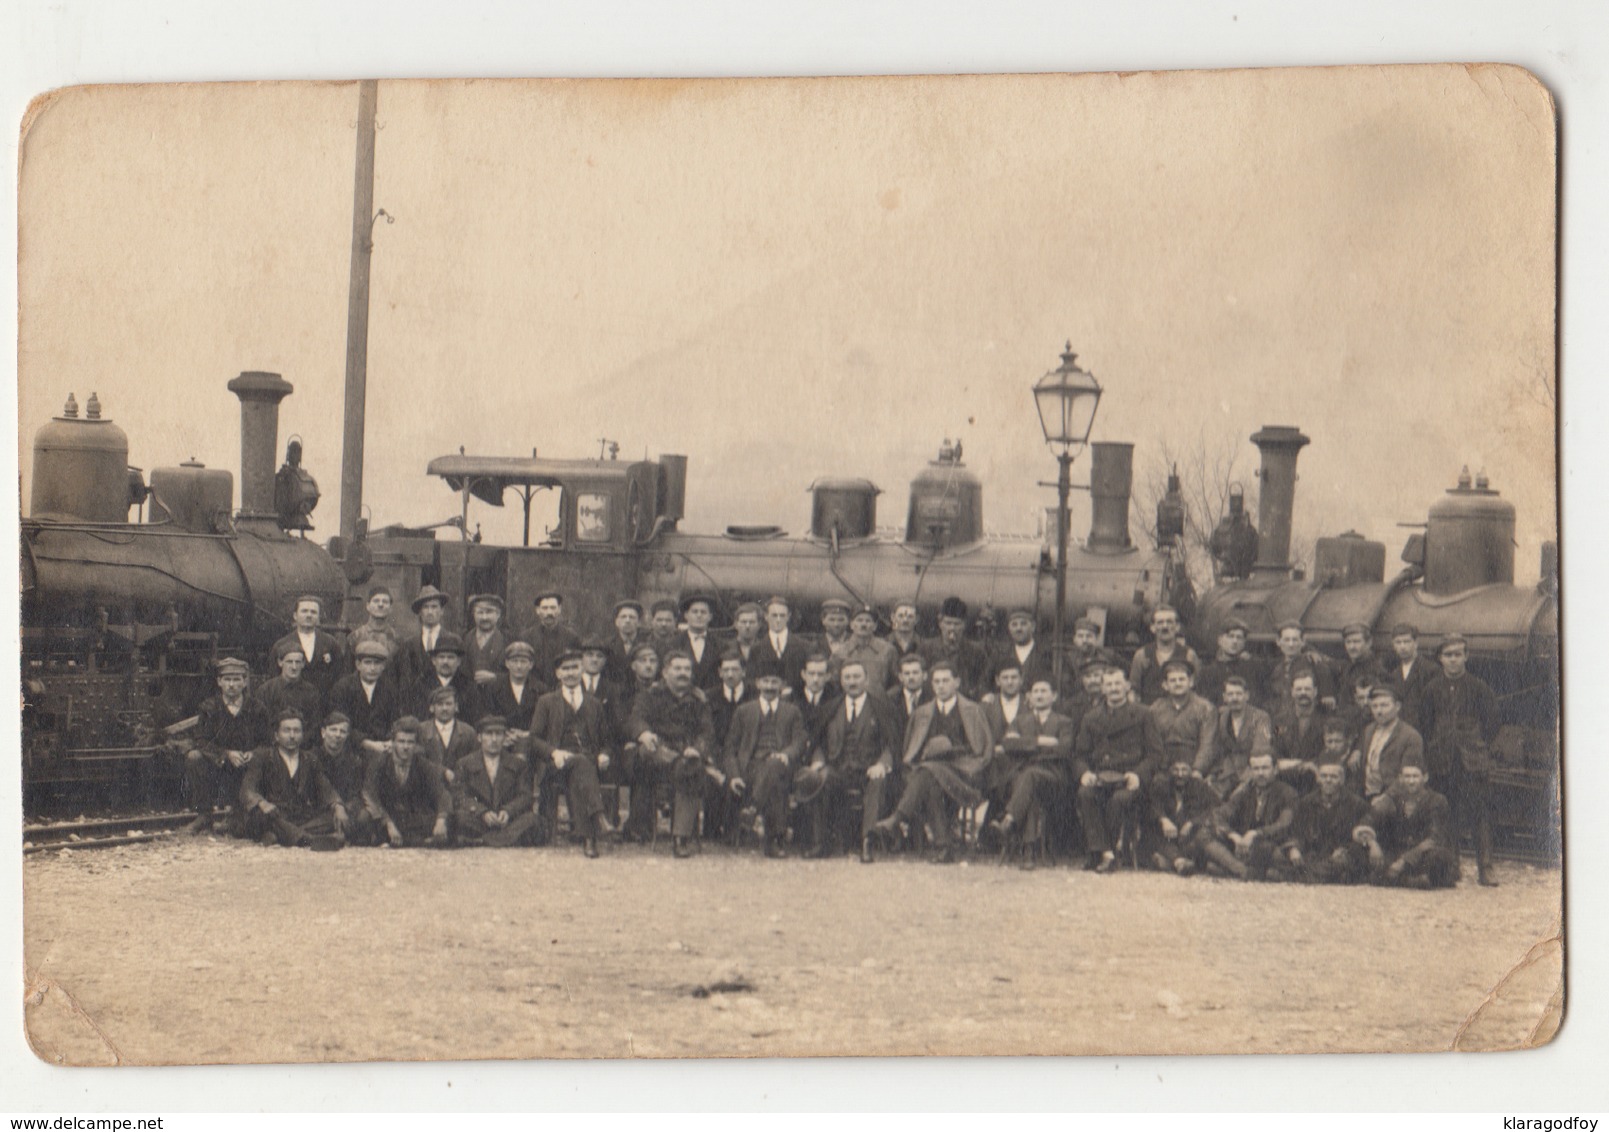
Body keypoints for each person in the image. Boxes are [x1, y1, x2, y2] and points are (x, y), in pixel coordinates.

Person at [870, 659, 993, 864]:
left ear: (957, 682)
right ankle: (944, 848)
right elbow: (911, 749)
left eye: (946, 680)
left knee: (928, 774)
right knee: (930, 780)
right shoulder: (922, 713)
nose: (941, 686)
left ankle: (898, 818)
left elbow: (983, 751)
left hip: (963, 773)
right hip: (931, 771)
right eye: (937, 682)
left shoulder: (973, 710)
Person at [797, 658, 904, 862]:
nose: (852, 682)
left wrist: (882, 764)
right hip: (838, 770)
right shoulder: (830, 708)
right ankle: (821, 843)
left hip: (868, 770)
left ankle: (867, 841)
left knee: (877, 782)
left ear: (866, 680)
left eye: (856, 677)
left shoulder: (881, 707)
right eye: (847, 677)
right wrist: (818, 761)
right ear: (840, 680)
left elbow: (892, 744)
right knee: (822, 778)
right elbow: (817, 742)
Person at [1419, 634, 1502, 886]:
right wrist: (1435, 747)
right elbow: (1425, 724)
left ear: (1466, 656)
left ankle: (1485, 868)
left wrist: (1475, 744)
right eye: (1448, 655)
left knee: (1480, 813)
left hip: (1472, 761)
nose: (1453, 660)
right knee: (1448, 813)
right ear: (1440, 658)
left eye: (1457, 654)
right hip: (1443, 761)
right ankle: (1452, 866)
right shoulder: (1431, 689)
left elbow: (1492, 723)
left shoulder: (1479, 687)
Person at [627, 650, 718, 858]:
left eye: (687, 669)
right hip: (656, 757)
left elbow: (707, 731)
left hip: (686, 754)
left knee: (689, 768)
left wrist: (697, 748)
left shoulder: (698, 699)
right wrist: (644, 733)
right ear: (665, 672)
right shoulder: (651, 694)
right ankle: (681, 838)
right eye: (677, 668)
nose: (682, 673)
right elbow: (636, 719)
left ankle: (680, 837)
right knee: (682, 764)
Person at [1072, 668, 1162, 872]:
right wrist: (1085, 773)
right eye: (1109, 685)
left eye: (1118, 684)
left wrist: (1138, 774)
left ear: (1127, 686)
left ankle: (1102, 852)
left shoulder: (1143, 714)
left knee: (1119, 800)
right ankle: (1105, 852)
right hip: (1102, 776)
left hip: (1130, 777)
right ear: (1102, 688)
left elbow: (1155, 754)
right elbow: (1079, 754)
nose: (1114, 689)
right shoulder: (1091, 717)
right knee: (1085, 794)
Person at [527, 649, 613, 856]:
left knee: (580, 772)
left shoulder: (594, 703)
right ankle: (598, 820)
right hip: (556, 765)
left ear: (582, 669)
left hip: (586, 765)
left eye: (575, 667)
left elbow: (606, 741)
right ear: (558, 674)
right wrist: (553, 752)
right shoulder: (547, 701)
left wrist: (604, 754)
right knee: (581, 765)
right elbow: (534, 739)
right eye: (565, 669)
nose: (570, 673)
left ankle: (588, 839)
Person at [988, 676, 1077, 868]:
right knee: (1030, 792)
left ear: (1054, 696)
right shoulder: (1020, 721)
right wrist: (1040, 742)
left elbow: (1064, 749)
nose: (1039, 695)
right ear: (1029, 696)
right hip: (1024, 779)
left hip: (1053, 778)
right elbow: (1008, 744)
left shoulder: (1064, 722)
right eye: (1035, 691)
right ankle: (1028, 852)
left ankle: (1009, 819)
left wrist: (1025, 745)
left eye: (1044, 691)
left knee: (1030, 775)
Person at [722, 657, 806, 858]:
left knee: (775, 766)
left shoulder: (792, 711)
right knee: (774, 782)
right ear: (757, 683)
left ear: (782, 685)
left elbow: (799, 741)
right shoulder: (744, 711)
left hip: (783, 765)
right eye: (765, 682)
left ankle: (753, 808)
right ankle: (773, 841)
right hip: (750, 768)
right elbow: (730, 748)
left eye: (774, 682)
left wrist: (786, 754)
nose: (769, 686)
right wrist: (734, 776)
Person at [183, 657, 272, 836]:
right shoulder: (209, 708)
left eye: (237, 679)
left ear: (245, 682)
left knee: (242, 827)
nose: (232, 685)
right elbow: (201, 740)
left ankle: (238, 814)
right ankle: (204, 815)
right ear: (219, 682)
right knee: (194, 757)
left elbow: (268, 741)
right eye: (227, 680)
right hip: (219, 766)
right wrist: (225, 754)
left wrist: (253, 754)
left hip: (246, 768)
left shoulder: (257, 708)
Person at [239, 710, 346, 849]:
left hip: (298, 816)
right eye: (286, 731)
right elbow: (247, 788)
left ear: (302, 735)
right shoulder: (263, 757)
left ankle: (279, 836)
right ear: (276, 735)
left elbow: (325, 787)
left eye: (297, 731)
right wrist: (262, 803)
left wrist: (337, 805)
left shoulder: (310, 759)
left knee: (332, 817)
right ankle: (307, 839)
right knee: (262, 816)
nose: (292, 736)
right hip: (272, 813)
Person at [1354, 758, 1460, 888]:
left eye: (1415, 776)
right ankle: (1412, 881)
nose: (1411, 781)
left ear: (1425, 778)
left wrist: (1405, 861)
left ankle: (1400, 879)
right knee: (1363, 852)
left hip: (1422, 854)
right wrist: (1372, 843)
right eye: (1407, 776)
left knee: (1438, 857)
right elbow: (1369, 819)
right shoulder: (1393, 799)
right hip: (1399, 852)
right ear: (1400, 778)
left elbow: (1435, 838)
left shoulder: (1437, 800)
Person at [355, 717, 451, 848]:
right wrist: (387, 822)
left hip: (409, 818)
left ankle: (405, 841)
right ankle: (385, 840)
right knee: (364, 817)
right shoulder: (379, 763)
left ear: (415, 745)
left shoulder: (421, 763)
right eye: (401, 742)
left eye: (410, 742)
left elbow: (441, 792)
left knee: (449, 820)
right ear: (392, 743)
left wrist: (441, 819)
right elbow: (370, 795)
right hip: (386, 815)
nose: (405, 747)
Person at [1201, 752, 1298, 880]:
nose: (1260, 773)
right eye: (1256, 769)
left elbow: (1284, 824)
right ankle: (1241, 870)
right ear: (1251, 771)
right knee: (1203, 834)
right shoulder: (1245, 792)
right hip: (1243, 844)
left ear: (1275, 770)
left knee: (1270, 850)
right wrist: (1233, 835)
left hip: (1269, 843)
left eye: (1265, 768)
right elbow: (1219, 814)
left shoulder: (1287, 793)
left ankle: (1229, 867)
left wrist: (1256, 833)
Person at [452, 716, 539, 847]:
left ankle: (484, 841)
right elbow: (460, 795)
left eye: (498, 734)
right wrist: (482, 812)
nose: (494, 739)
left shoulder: (518, 764)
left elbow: (525, 795)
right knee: (457, 818)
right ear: (479, 737)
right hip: (479, 821)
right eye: (488, 734)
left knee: (533, 819)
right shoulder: (465, 763)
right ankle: (503, 839)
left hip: (508, 821)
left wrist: (508, 811)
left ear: (505, 738)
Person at [1280, 758, 1369, 884]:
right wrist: (1294, 849)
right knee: (1283, 856)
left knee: (1346, 860)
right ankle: (1313, 874)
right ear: (1318, 779)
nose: (1328, 780)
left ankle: (1305, 875)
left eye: (1333, 777)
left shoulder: (1357, 804)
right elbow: (1296, 831)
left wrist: (1345, 849)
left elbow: (1360, 835)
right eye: (1324, 776)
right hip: (1314, 853)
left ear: (1342, 780)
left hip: (1339, 855)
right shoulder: (1306, 803)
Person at [1147, 755, 1221, 876]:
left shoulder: (1199, 786)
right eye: (1176, 770)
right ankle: (1179, 862)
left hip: (1187, 836)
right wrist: (1163, 819)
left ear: (1191, 771)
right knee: (1153, 836)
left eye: (1184, 769)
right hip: (1166, 836)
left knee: (1197, 843)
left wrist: (1193, 822)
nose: (1180, 774)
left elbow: (1216, 807)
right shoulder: (1161, 786)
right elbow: (1151, 805)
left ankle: (1173, 862)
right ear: (1169, 771)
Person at [1201, 674, 1273, 797]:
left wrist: (1244, 784)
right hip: (1227, 773)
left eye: (1239, 694)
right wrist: (1213, 774)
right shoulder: (1221, 716)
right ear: (1224, 697)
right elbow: (1216, 749)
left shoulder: (1260, 717)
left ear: (1247, 696)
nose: (1235, 698)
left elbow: (1260, 752)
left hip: (1252, 773)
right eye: (1230, 694)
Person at [1147, 659, 1214, 789]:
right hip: (1164, 764)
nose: (1177, 684)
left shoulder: (1205, 708)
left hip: (1192, 761)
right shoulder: (1155, 709)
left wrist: (1197, 770)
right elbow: (1151, 742)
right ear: (1165, 685)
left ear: (1191, 682)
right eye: (1172, 680)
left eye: (1182, 679)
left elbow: (1208, 744)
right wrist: (1159, 768)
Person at [327, 639, 401, 756]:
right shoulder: (343, 688)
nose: (372, 668)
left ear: (383, 666)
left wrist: (389, 741)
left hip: (384, 749)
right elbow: (339, 722)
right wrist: (366, 743)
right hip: (351, 749)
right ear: (358, 665)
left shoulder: (390, 689)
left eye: (377, 663)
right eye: (367, 662)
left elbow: (396, 721)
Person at [1352, 684, 1424, 801]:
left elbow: (1407, 778)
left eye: (1384, 705)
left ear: (1397, 706)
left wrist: (1386, 797)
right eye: (1374, 706)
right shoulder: (1369, 730)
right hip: (1366, 794)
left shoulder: (1410, 736)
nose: (1379, 711)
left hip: (1394, 797)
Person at [270, 594, 345, 697]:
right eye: (304, 611)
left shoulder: (330, 643)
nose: (309, 615)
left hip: (324, 702)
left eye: (313, 612)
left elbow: (339, 676)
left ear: (319, 617)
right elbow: (274, 678)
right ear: (295, 615)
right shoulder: (282, 644)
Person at [1127, 606, 1201, 705]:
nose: (1165, 626)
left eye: (1169, 622)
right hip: (1149, 713)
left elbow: (1196, 689)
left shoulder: (1189, 655)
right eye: (1160, 622)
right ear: (1152, 628)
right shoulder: (1142, 655)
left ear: (1177, 627)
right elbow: (1134, 691)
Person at [253, 641, 323, 743]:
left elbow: (314, 725)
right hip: (272, 746)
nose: (294, 667)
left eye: (298, 662)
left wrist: (298, 741)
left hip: (302, 746)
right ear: (280, 662)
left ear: (303, 664)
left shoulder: (311, 691)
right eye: (289, 662)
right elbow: (261, 725)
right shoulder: (266, 690)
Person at [919, 597, 988, 699]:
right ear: (940, 624)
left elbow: (982, 682)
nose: (952, 628)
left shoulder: (976, 651)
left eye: (956, 624)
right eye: (948, 623)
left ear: (964, 625)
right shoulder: (926, 649)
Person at [1270, 672, 1328, 792]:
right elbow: (1274, 749)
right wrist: (1297, 764)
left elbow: (1327, 752)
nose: (1303, 693)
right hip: (1285, 780)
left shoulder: (1326, 720)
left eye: (1307, 689)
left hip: (1315, 780)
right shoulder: (1279, 720)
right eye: (1299, 689)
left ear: (1315, 692)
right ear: (1292, 692)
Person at [407, 631, 483, 724]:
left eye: (450, 657)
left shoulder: (468, 686)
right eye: (441, 657)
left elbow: (473, 720)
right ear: (434, 661)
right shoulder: (421, 684)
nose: (445, 662)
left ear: (459, 661)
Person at [1264, 622, 1337, 710]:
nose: (1291, 644)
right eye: (1286, 640)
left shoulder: (1314, 662)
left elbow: (1327, 697)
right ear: (1278, 641)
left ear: (1303, 642)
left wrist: (1327, 694)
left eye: (1295, 640)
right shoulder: (1273, 665)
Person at [1193, 618, 1263, 709]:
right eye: (1230, 636)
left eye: (1239, 637)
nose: (1235, 641)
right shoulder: (1208, 672)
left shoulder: (1253, 668)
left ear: (1244, 643)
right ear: (1220, 640)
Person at [987, 609, 1054, 700]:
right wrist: (987, 695)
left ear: (1033, 627)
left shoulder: (1046, 654)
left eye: (1023, 624)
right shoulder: (1000, 653)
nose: (1018, 628)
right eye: (1014, 624)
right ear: (1009, 628)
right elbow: (986, 681)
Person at [313, 711, 368, 823]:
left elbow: (356, 794)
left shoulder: (354, 762)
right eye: (333, 730)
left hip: (346, 810)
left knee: (364, 816)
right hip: (318, 810)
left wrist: (345, 808)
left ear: (347, 736)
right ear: (323, 732)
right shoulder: (311, 758)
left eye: (342, 731)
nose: (338, 735)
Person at [395, 584, 452, 689]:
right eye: (426, 607)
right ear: (420, 612)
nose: (430, 612)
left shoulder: (452, 641)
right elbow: (404, 679)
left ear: (442, 611)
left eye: (434, 607)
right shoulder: (409, 644)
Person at [1383, 623, 1436, 732]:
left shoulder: (1430, 670)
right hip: (1400, 730)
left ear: (1415, 643)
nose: (1402, 646)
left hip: (1423, 729)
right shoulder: (1394, 674)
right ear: (1394, 645)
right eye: (1398, 642)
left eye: (1406, 642)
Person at [485, 639, 545, 736]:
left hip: (531, 741)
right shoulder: (493, 688)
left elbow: (544, 723)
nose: (519, 666)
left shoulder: (541, 689)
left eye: (523, 661)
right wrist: (504, 735)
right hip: (502, 740)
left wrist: (527, 734)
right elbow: (488, 717)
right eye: (514, 661)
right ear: (507, 663)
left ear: (531, 665)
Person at [417, 685, 477, 781]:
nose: (444, 708)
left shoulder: (468, 732)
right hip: (429, 787)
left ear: (456, 707)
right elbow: (418, 762)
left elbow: (474, 763)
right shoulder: (421, 731)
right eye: (440, 704)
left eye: (448, 704)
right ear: (432, 708)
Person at [520, 591, 582, 684]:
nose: (549, 612)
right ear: (538, 610)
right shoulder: (526, 637)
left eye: (553, 608)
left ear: (559, 609)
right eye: (545, 608)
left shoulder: (571, 637)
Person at [756, 596, 812, 694]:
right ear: (766, 616)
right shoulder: (756, 648)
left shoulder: (805, 646)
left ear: (788, 616)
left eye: (782, 615)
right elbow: (751, 679)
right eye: (774, 615)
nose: (778, 620)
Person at [837, 605, 897, 694]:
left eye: (868, 621)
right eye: (859, 620)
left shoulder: (887, 650)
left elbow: (897, 682)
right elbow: (834, 685)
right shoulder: (841, 652)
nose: (864, 624)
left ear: (875, 626)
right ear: (851, 625)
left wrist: (885, 699)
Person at [463, 594, 511, 688]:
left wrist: (496, 678)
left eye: (489, 612)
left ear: (498, 614)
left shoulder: (508, 640)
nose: (484, 617)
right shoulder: (464, 639)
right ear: (473, 615)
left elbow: (518, 672)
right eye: (480, 612)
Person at [347, 585, 401, 669]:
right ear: (368, 606)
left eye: (385, 602)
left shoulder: (397, 639)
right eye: (376, 601)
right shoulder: (355, 637)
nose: (380, 605)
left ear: (390, 608)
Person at [677, 593, 722, 690]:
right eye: (694, 612)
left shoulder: (721, 645)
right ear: (686, 615)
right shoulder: (673, 643)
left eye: (703, 612)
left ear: (710, 617)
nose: (699, 615)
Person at [1335, 623, 1385, 707]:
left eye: (1356, 641)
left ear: (1369, 643)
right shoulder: (1349, 666)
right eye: (1348, 642)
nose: (1352, 647)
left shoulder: (1376, 667)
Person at [604, 599, 646, 694]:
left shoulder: (647, 643)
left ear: (639, 622)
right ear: (616, 622)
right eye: (623, 617)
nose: (627, 620)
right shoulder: (607, 645)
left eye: (632, 617)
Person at [890, 653, 931, 737]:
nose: (911, 677)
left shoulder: (932, 697)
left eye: (915, 673)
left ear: (924, 675)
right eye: (907, 673)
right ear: (900, 677)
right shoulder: (891, 699)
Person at [818, 597, 854, 674]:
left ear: (848, 621)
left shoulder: (854, 642)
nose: (836, 624)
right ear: (823, 621)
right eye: (831, 619)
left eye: (841, 620)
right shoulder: (814, 644)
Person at [884, 601, 924, 667]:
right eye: (900, 616)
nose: (905, 620)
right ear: (893, 618)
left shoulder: (924, 645)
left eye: (910, 616)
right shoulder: (884, 644)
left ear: (916, 619)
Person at [728, 602, 765, 671]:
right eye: (743, 622)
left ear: (759, 625)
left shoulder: (765, 648)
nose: (747, 626)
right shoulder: (725, 648)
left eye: (751, 622)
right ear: (736, 624)